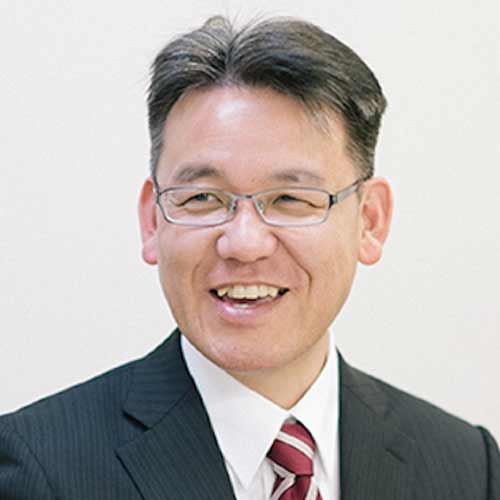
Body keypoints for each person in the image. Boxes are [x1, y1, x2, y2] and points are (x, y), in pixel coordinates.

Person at [0, 15, 498, 500]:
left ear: (370, 220)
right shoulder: (38, 469)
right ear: (152, 220)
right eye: (202, 198)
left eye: (290, 199)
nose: (243, 243)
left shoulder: (466, 467)